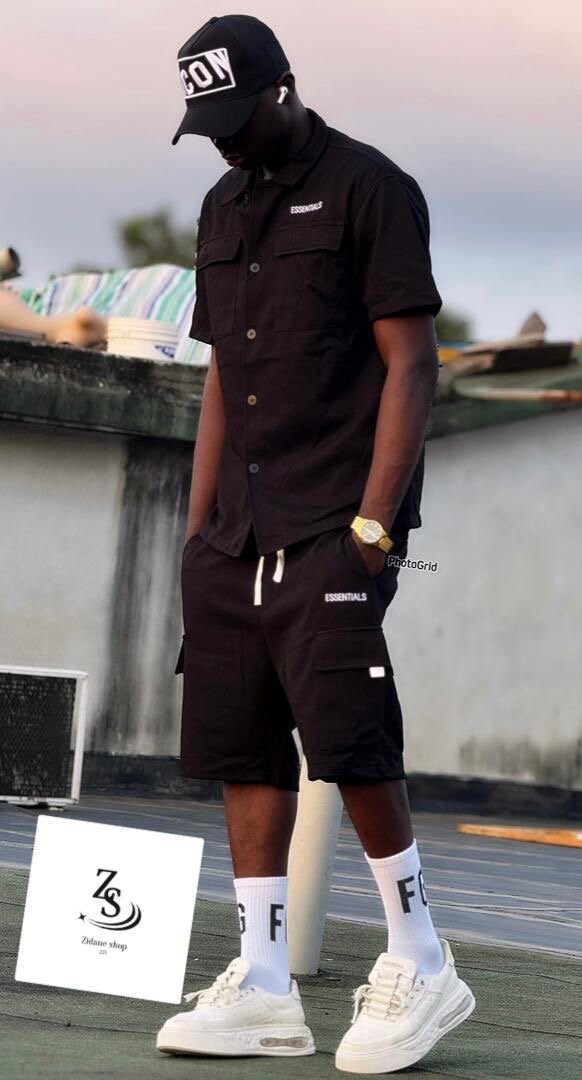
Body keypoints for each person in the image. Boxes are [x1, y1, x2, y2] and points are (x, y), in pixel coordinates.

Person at [157, 14, 475, 1074]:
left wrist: (373, 533)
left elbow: (413, 363)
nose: (224, 139)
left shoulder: (370, 189)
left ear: (284, 88)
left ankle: (421, 958)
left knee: (348, 737)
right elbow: (219, 376)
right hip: (234, 533)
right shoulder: (221, 205)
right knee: (241, 743)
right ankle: (263, 984)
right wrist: (197, 532)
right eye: (207, 125)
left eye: (236, 116)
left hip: (336, 523)